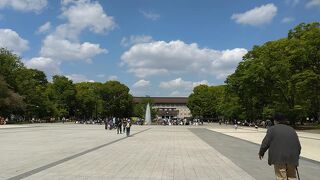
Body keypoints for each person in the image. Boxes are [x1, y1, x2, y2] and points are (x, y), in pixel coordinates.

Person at [259, 113, 301, 180]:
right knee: (292, 176)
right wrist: (296, 155)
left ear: (275, 120)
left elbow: (265, 143)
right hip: (292, 156)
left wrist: (261, 152)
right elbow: (298, 145)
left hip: (279, 157)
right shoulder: (291, 129)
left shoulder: (272, 129)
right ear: (284, 120)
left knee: (281, 177)